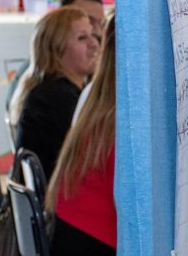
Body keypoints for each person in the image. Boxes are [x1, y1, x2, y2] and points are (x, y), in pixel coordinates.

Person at [46, 16, 116, 255]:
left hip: (70, 231)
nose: (92, 44)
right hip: (93, 238)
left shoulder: (93, 97)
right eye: (81, 37)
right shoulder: (127, 117)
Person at [14, 6, 99, 178]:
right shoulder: (56, 97)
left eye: (93, 35)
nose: (94, 43)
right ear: (56, 50)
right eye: (82, 38)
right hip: (59, 199)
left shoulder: (49, 90)